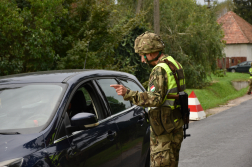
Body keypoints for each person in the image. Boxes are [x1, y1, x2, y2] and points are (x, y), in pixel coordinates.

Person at [110, 31, 186, 167]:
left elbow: (156, 99)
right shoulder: (174, 64)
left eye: (142, 55)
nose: (142, 60)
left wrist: (128, 93)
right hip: (175, 126)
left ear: (151, 52)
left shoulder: (159, 69)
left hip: (164, 133)